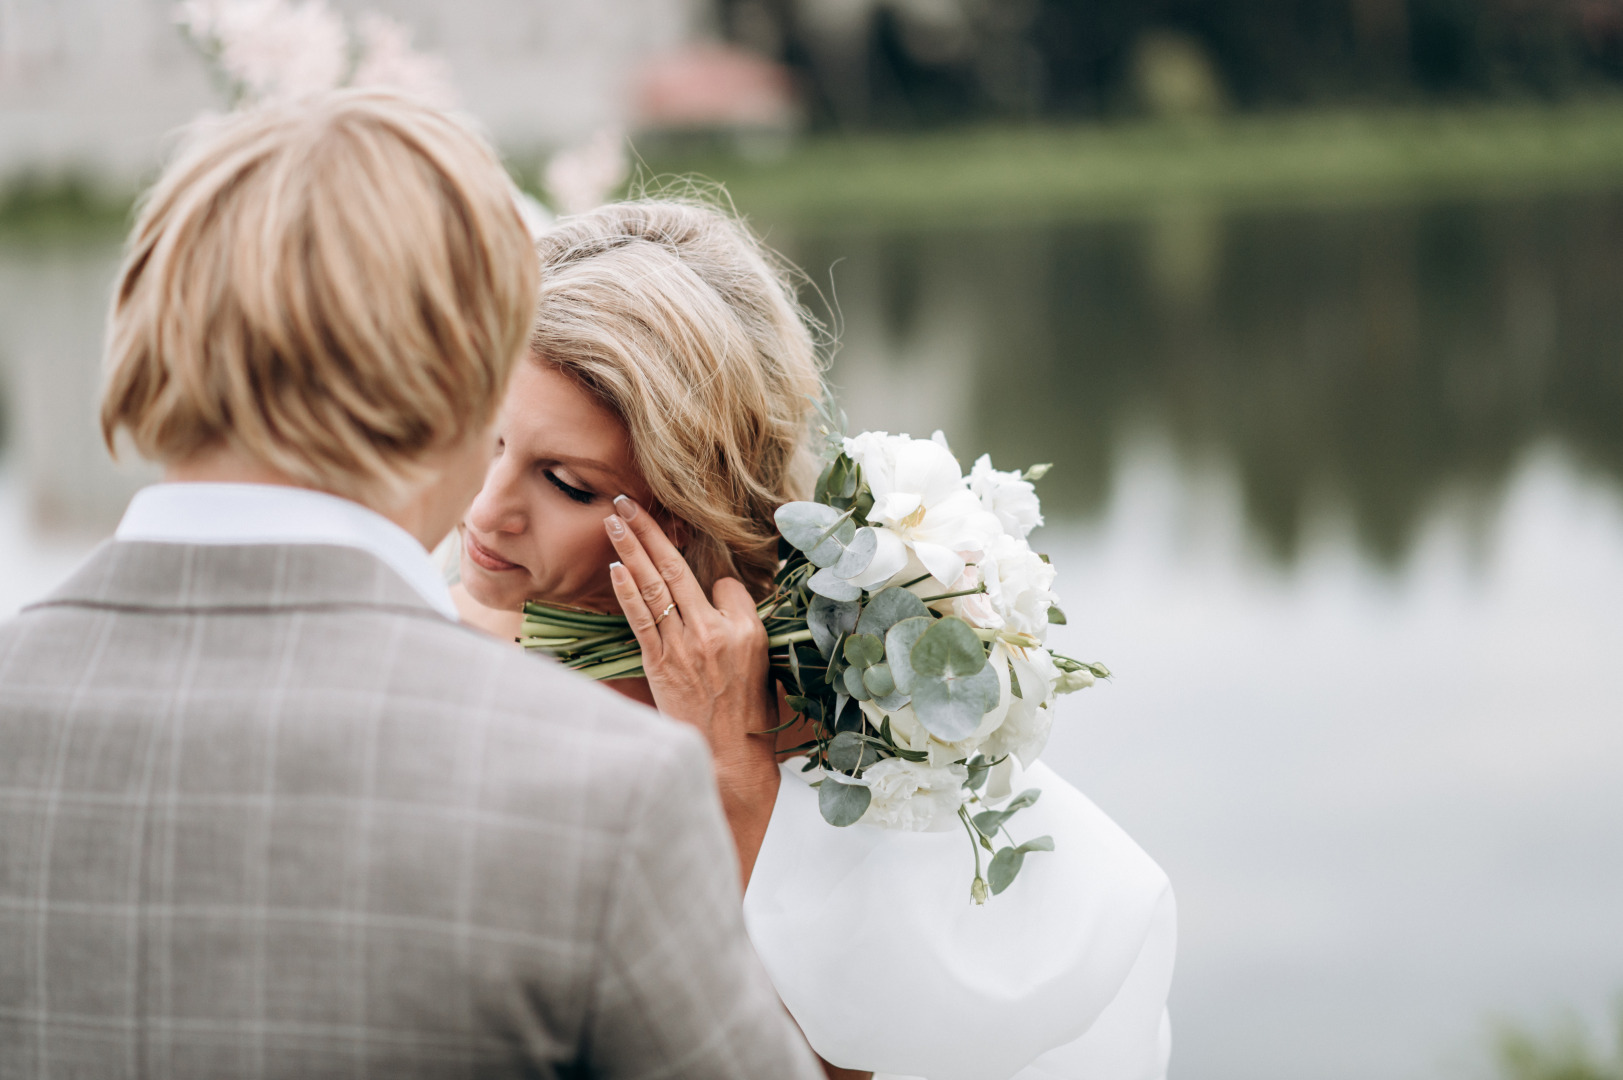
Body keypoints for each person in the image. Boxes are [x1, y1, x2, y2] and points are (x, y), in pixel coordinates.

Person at [0, 92, 823, 1080]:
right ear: (461, 380)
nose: (496, 500)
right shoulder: (602, 790)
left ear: (141, 310)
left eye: (563, 478)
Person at [452, 198, 1177, 1080]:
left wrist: (729, 774)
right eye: (484, 434)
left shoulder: (812, 727)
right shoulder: (415, 622)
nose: (488, 509)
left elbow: (829, 1062)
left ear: (683, 509)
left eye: (564, 482)